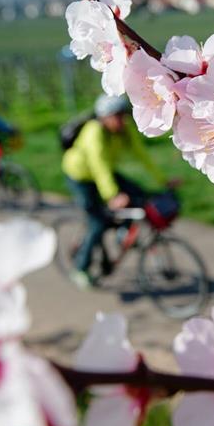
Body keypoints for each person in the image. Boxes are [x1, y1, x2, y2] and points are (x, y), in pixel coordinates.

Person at [62, 94, 169, 287]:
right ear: (104, 117)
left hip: (104, 173)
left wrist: (163, 181)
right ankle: (81, 268)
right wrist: (112, 196)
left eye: (123, 115)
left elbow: (142, 155)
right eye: (117, 116)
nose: (122, 120)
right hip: (81, 176)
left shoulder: (124, 129)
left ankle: (123, 231)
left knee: (139, 196)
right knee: (97, 223)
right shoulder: (94, 131)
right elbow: (98, 165)